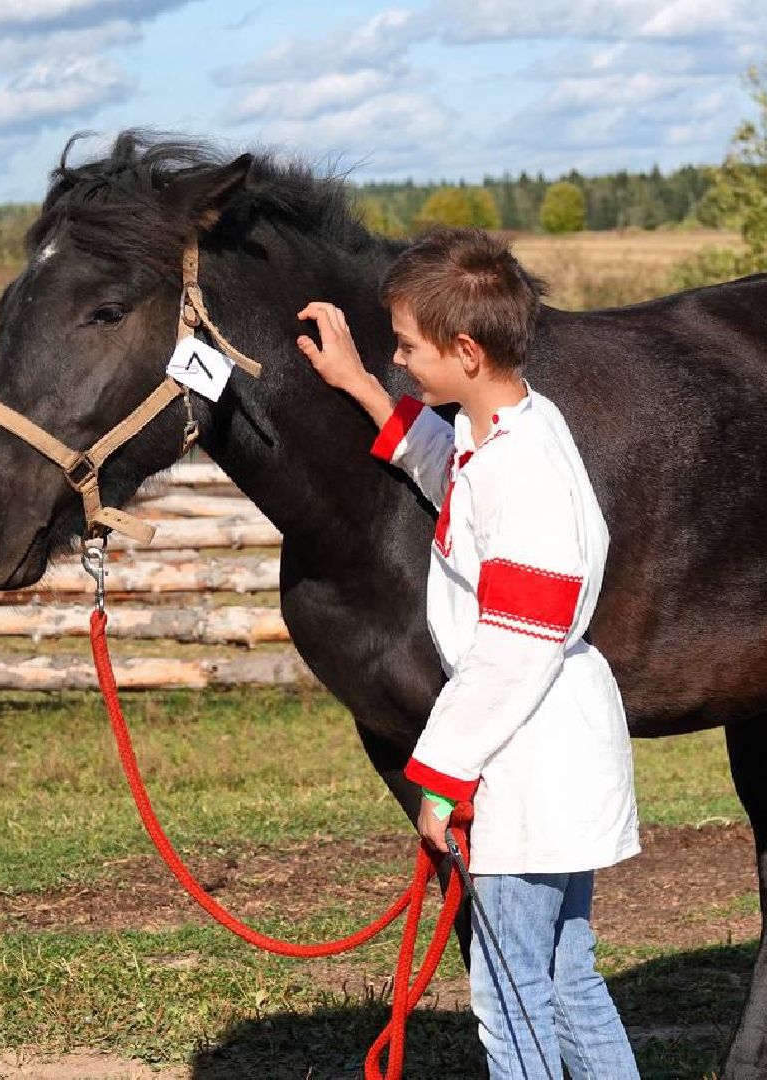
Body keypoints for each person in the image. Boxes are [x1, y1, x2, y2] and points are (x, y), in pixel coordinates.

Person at [295, 227, 641, 1079]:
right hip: (547, 743)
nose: (398, 360)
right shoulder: (515, 428)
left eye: (407, 348)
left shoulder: (522, 472)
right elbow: (454, 477)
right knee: (563, 979)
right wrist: (362, 388)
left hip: (525, 754)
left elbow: (513, 648)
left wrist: (443, 776)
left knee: (510, 994)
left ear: (465, 352)